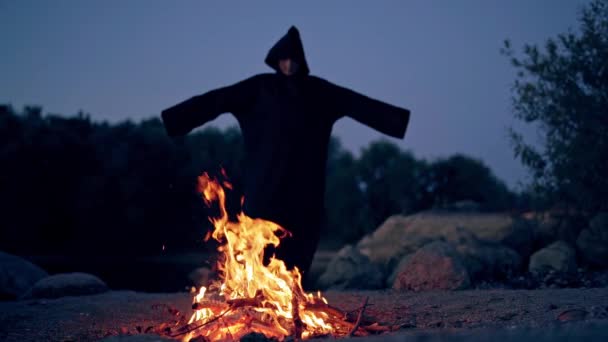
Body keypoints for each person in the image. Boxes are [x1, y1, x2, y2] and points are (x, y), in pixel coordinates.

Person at [161, 26, 410, 278]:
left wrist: (398, 121)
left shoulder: (319, 92)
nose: (289, 64)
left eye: (294, 60)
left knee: (298, 258)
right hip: (264, 189)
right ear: (276, 60)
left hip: (305, 192)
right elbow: (216, 100)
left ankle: (292, 304)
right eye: (284, 59)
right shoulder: (258, 88)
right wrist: (176, 119)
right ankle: (257, 303)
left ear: (301, 62)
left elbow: (358, 104)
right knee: (260, 256)